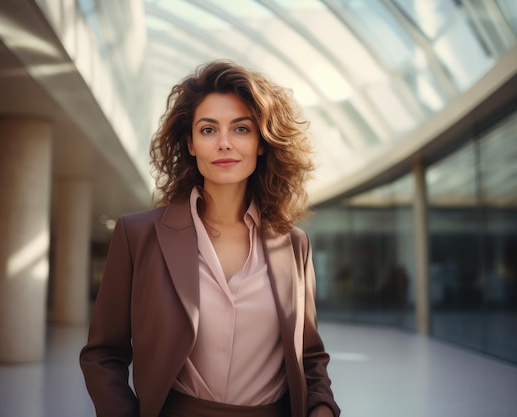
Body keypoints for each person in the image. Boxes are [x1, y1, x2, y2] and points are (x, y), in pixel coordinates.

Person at [80, 60, 340, 417]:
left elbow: (310, 356)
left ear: (261, 144)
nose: (224, 144)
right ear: (189, 143)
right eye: (207, 130)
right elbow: (103, 354)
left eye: (241, 129)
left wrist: (322, 408)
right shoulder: (137, 235)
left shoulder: (294, 245)